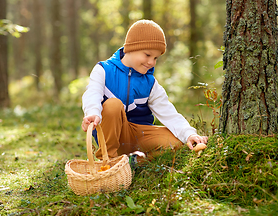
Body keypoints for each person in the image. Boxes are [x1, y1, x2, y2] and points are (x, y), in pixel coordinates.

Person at [81, 19, 208, 162]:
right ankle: (107, 161)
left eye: (155, 58)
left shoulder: (150, 83)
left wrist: (189, 134)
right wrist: (92, 112)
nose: (152, 62)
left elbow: (168, 112)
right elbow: (92, 93)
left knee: (179, 143)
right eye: (147, 55)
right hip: (112, 136)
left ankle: (134, 162)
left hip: (140, 134)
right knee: (113, 105)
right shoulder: (104, 70)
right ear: (131, 48)